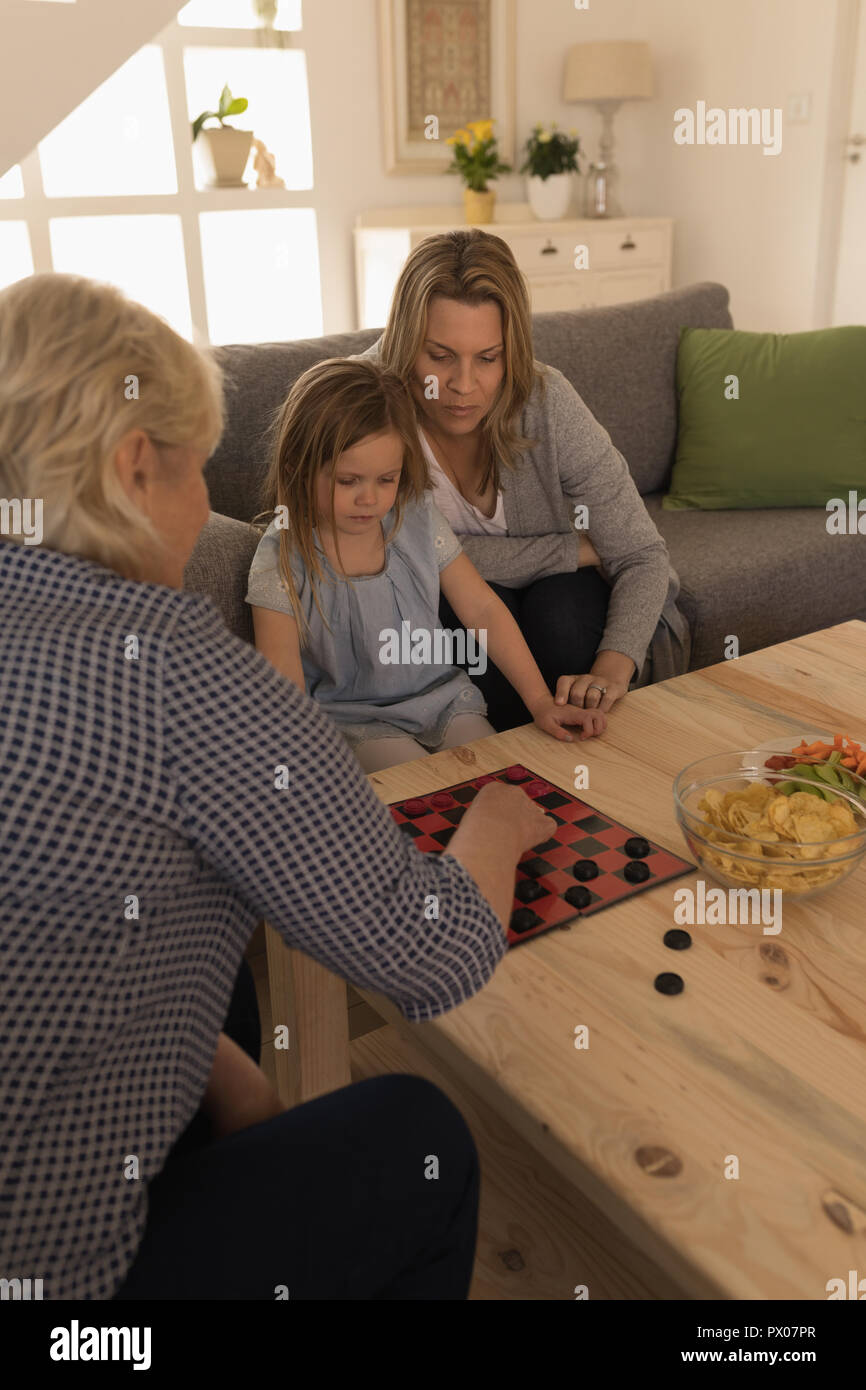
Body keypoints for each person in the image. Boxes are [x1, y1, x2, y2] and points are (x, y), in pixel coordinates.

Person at [0, 272, 569, 1301]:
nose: (202, 506)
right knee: (417, 1128)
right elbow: (429, 956)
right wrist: (490, 817)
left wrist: (233, 1076)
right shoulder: (172, 665)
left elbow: (57, 935)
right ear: (136, 468)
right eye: (194, 475)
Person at [352, 228, 691, 732]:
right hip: (451, 603)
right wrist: (567, 549)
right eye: (439, 357)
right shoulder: (360, 401)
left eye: (488, 358)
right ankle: (503, 785)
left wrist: (612, 669)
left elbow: (641, 555)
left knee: (564, 622)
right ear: (404, 343)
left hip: (560, 604)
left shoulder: (546, 400)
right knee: (460, 629)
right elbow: (374, 553)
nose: (463, 386)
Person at [246, 357, 607, 774]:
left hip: (445, 702)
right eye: (348, 481)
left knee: (503, 782)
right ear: (297, 469)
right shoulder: (280, 560)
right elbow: (283, 693)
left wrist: (542, 702)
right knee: (426, 793)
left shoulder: (415, 516)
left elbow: (483, 609)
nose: (371, 500)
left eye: (387, 479)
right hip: (356, 722)